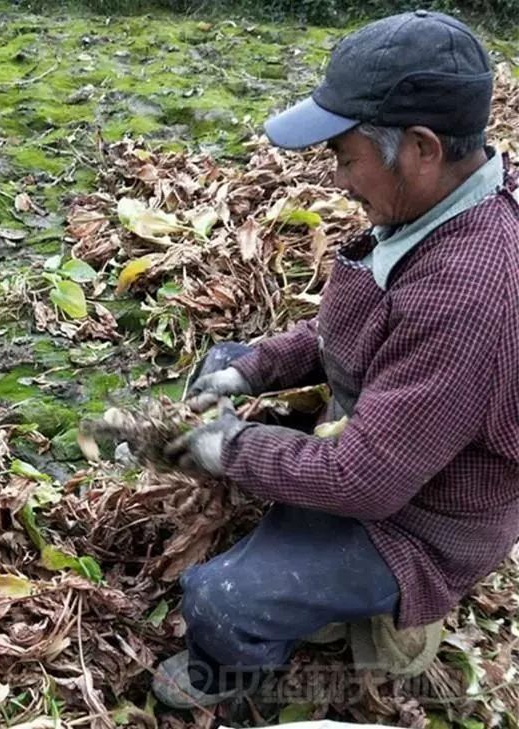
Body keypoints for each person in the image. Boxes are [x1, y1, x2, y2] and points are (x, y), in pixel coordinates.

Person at [153, 10, 519, 709]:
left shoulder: (470, 295)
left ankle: (241, 673)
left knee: (220, 599)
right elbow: (349, 332)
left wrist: (228, 446)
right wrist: (254, 367)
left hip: (422, 518)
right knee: (226, 364)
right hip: (388, 437)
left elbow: (364, 482)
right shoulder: (435, 210)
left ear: (420, 147)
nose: (340, 179)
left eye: (346, 156)